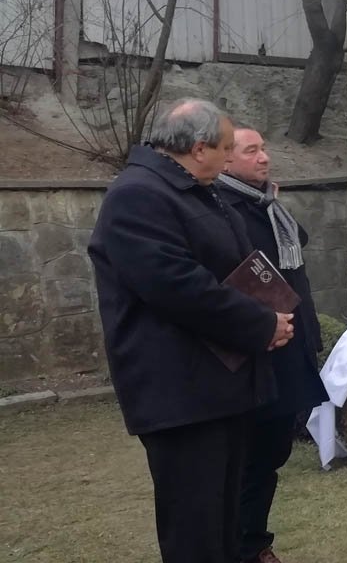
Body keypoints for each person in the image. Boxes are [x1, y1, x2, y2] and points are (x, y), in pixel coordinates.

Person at [89, 99, 295, 563]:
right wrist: (259, 323)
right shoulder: (137, 196)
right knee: (195, 532)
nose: (230, 158)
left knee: (225, 526)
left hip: (224, 384)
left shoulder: (197, 190)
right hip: (181, 393)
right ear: (199, 148)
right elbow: (178, 286)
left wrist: (273, 310)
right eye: (225, 148)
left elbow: (233, 265)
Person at [218, 128, 330, 563]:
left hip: (291, 346)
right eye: (252, 151)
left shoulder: (266, 206)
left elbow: (296, 256)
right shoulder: (221, 209)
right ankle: (242, 547)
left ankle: (253, 543)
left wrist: (311, 337)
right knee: (248, 458)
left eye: (264, 149)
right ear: (226, 160)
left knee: (272, 453)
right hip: (257, 352)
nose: (264, 158)